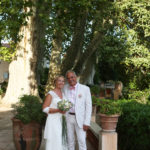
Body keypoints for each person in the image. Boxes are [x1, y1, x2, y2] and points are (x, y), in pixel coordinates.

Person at [63, 70, 92, 150]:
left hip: (81, 119)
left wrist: (87, 122)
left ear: (75, 77)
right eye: (68, 78)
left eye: (72, 77)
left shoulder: (85, 89)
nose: (70, 79)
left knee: (82, 141)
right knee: (70, 140)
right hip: (68, 117)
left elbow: (88, 106)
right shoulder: (65, 88)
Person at [42, 75, 68, 150]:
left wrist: (65, 109)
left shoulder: (63, 94)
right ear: (55, 82)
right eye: (59, 80)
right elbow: (44, 108)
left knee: (62, 140)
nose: (61, 82)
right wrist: (58, 110)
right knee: (55, 140)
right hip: (53, 121)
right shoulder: (51, 94)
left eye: (63, 81)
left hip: (62, 120)